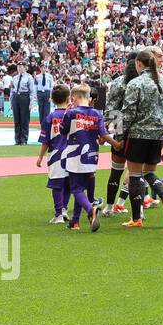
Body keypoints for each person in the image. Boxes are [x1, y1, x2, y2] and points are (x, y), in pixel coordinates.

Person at [119, 50, 163, 227]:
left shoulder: (136, 83)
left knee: (135, 176)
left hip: (138, 135)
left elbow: (128, 113)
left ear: (139, 64)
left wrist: (120, 135)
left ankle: (136, 218)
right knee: (149, 172)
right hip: (157, 135)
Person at [59, 84, 116, 232]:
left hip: (75, 155)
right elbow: (103, 134)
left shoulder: (71, 113)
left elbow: (62, 131)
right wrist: (116, 144)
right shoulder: (97, 114)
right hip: (92, 157)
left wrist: (66, 113)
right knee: (81, 189)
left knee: (76, 189)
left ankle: (91, 210)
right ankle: (75, 221)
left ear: (76, 97)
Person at [102, 53, 138, 216]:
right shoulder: (144, 83)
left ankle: (109, 207)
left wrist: (117, 132)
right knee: (137, 174)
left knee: (115, 172)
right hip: (139, 133)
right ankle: (138, 212)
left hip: (120, 131)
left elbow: (111, 110)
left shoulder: (117, 83)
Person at [36, 84, 71, 224]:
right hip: (72, 154)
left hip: (55, 154)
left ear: (51, 99)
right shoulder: (72, 114)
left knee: (57, 185)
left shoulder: (50, 118)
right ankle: (64, 209)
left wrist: (40, 157)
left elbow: (45, 140)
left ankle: (58, 215)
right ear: (68, 98)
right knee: (68, 183)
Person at [8, 63, 35, 145]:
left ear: (25, 67)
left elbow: (32, 91)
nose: (19, 68)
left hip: (24, 97)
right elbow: (12, 91)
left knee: (24, 119)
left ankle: (24, 139)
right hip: (16, 97)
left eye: (21, 67)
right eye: (18, 67)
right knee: (17, 120)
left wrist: (31, 102)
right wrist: (11, 102)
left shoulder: (29, 77)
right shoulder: (14, 78)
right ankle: (17, 140)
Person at [34, 65, 54, 131]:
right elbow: (35, 87)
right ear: (40, 68)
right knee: (41, 110)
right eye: (41, 67)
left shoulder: (50, 76)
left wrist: (51, 96)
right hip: (40, 93)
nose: (43, 69)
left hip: (47, 92)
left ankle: (46, 124)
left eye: (44, 67)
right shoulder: (37, 76)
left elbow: (51, 87)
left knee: (47, 110)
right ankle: (42, 125)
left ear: (46, 68)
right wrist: (36, 96)